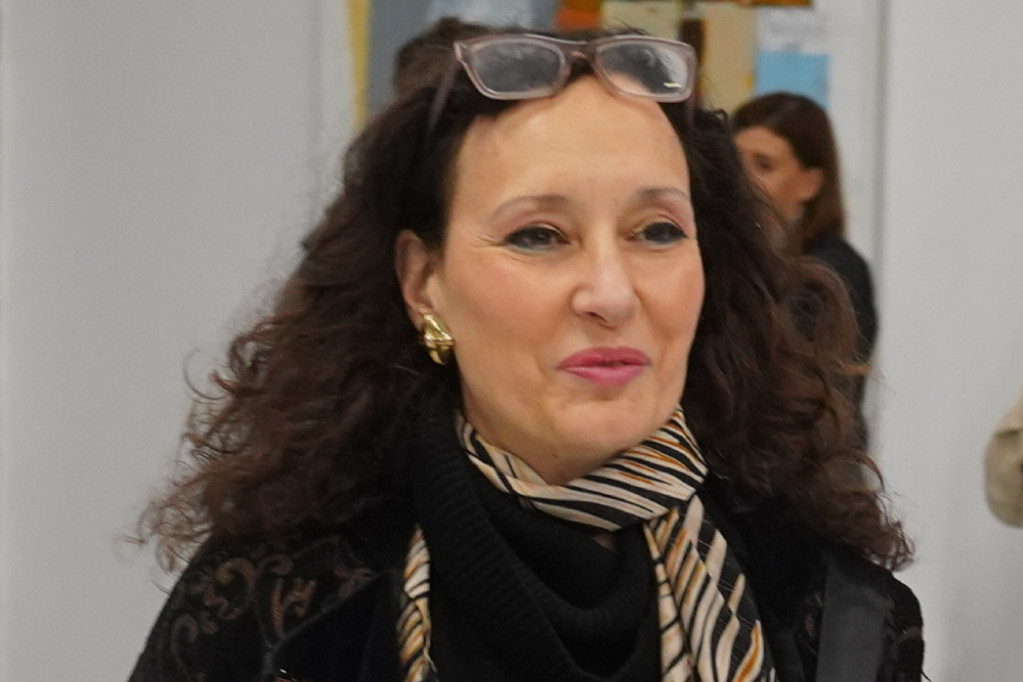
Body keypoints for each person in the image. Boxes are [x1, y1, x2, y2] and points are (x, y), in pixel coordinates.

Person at [129, 20, 922, 682]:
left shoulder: (830, 616)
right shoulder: (283, 608)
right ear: (424, 282)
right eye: (538, 235)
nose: (610, 293)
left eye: (656, 232)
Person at [732, 93, 878, 419]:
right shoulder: (738, 255)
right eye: (735, 162)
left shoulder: (835, 271)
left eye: (764, 166)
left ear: (810, 184)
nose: (742, 181)